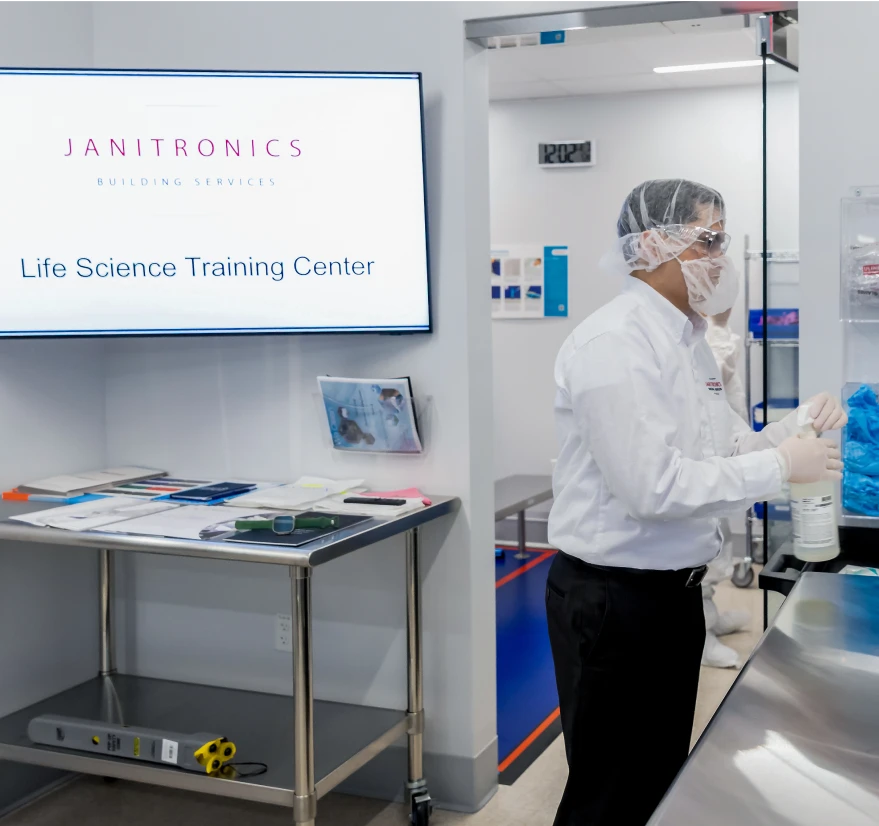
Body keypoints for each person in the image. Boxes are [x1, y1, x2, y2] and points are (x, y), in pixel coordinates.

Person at [545, 179, 846, 826]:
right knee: (608, 792)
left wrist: (795, 429)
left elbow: (724, 445)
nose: (721, 257)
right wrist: (778, 467)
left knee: (654, 777)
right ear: (653, 245)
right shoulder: (614, 346)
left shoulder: (687, 341)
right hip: (613, 599)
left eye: (721, 240)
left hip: (669, 596)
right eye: (708, 241)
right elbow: (652, 488)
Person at [702, 309, 750, 668]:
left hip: (726, 454)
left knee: (720, 543)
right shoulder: (693, 335)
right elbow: (713, 379)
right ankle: (702, 636)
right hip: (706, 463)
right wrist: (717, 328)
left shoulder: (707, 328)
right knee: (702, 553)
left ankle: (711, 618)